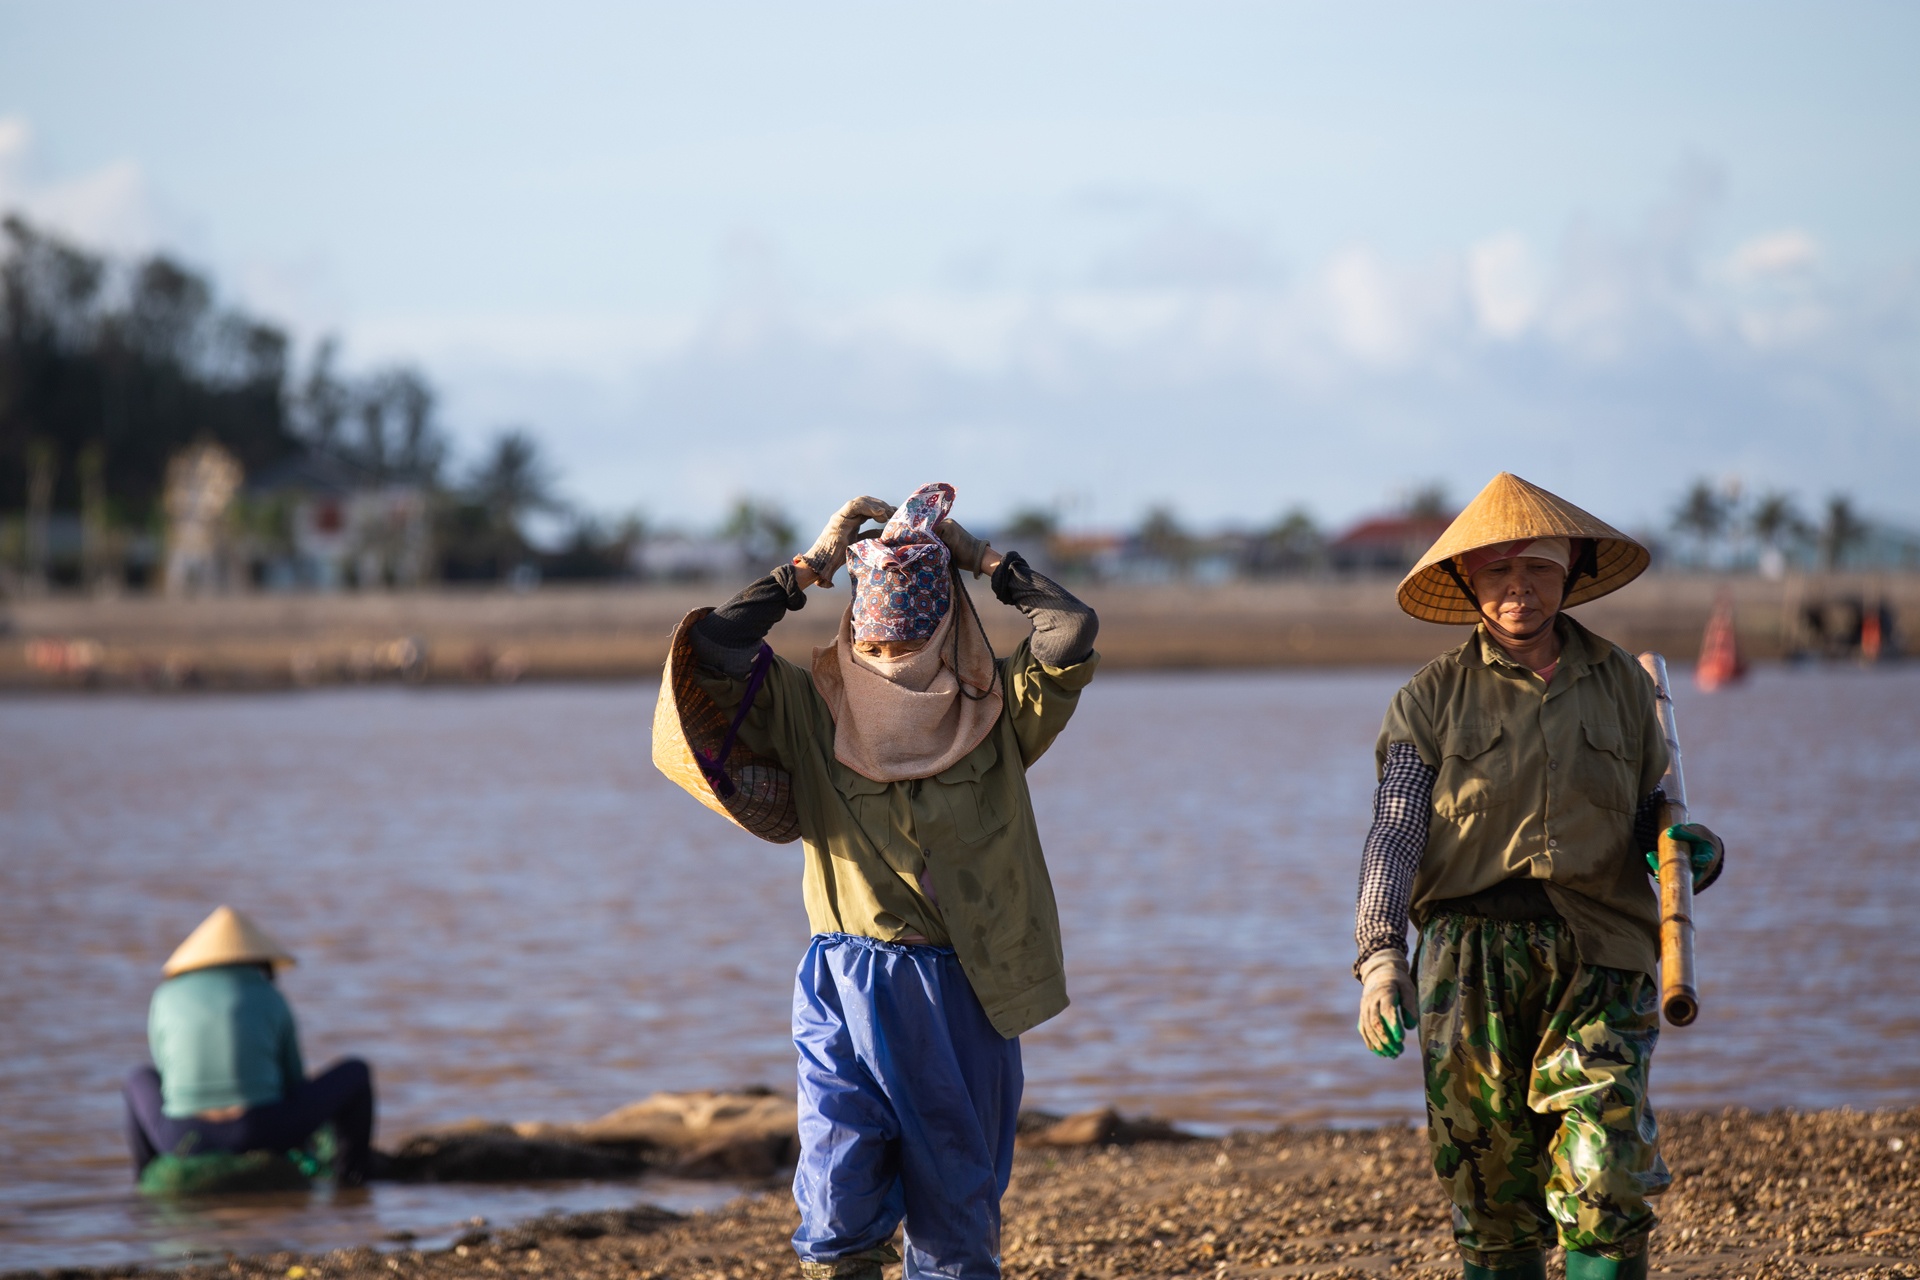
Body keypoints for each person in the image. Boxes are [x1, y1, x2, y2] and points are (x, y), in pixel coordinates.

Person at [653, 483, 1098, 1280]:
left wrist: (982, 558)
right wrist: (809, 568)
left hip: (959, 993)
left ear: (944, 628)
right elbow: (714, 652)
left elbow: (1071, 630)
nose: (890, 664)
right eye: (877, 644)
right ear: (857, 627)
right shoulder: (809, 709)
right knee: (835, 1207)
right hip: (842, 981)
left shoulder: (997, 711)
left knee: (954, 1217)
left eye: (909, 644)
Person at [1350, 473, 1726, 1280]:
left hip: (1600, 953)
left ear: (1570, 576)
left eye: (1539, 571)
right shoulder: (1430, 699)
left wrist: (1695, 852)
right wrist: (1381, 959)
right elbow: (1395, 831)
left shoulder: (1626, 685)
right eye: (1498, 572)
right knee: (1490, 1192)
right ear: (1469, 582)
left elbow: (1651, 817)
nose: (1518, 589)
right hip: (1468, 960)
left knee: (1607, 1177)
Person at [123, 905, 377, 1184]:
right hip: (259, 1132)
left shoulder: (164, 996)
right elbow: (292, 1082)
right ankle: (352, 1178)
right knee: (357, 1071)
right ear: (259, 961)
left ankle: (142, 1180)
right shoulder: (269, 995)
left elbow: (166, 1074)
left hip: (183, 1138)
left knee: (137, 1077)